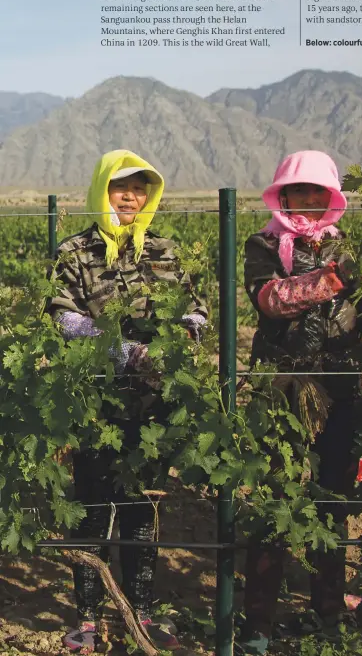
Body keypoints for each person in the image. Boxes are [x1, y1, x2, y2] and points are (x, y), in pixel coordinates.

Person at [47, 149, 207, 653]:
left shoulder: (165, 250)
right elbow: (63, 318)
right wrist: (124, 353)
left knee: (143, 510)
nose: (132, 196)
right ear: (103, 192)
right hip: (94, 406)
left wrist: (183, 338)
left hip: (154, 408)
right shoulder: (74, 252)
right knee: (93, 511)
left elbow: (197, 309)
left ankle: (142, 613)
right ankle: (89, 620)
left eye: (140, 187)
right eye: (121, 187)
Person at [238, 150, 362, 655]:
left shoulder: (353, 246)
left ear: (332, 198)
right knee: (275, 497)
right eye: (300, 191)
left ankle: (327, 613)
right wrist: (332, 280)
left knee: (332, 499)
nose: (310, 200)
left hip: (340, 386)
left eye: (320, 191)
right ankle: (259, 621)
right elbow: (270, 300)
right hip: (281, 385)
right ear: (283, 195)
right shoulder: (264, 243)